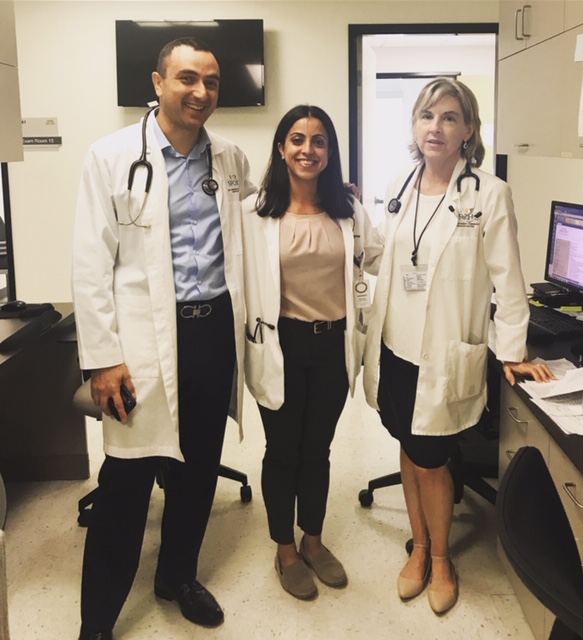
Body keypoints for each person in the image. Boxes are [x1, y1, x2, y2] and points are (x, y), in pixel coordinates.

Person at [71, 37, 256, 639]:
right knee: (125, 479)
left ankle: (176, 575)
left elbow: (253, 230)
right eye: (186, 79)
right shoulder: (111, 155)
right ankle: (98, 619)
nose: (200, 92)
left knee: (199, 469)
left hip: (211, 334)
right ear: (157, 82)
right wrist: (102, 360)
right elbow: (89, 263)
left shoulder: (229, 159)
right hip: (142, 342)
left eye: (211, 81)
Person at [361, 77, 554, 615]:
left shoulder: (489, 194)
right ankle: (418, 546)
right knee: (406, 441)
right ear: (414, 126)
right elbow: (385, 253)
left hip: (444, 350)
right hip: (396, 344)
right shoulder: (402, 182)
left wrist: (512, 349)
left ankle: (440, 558)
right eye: (427, 116)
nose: (436, 127)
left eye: (449, 117)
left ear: (469, 129)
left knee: (432, 460)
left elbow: (509, 280)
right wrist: (346, 231)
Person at [241, 105, 383, 600]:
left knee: (317, 451)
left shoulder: (349, 211)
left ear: (330, 152)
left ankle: (314, 541)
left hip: (333, 345)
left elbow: (379, 256)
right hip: (279, 343)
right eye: (297, 139)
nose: (308, 149)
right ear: (281, 148)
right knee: (282, 451)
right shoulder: (253, 213)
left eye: (319, 141)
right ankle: (284, 548)